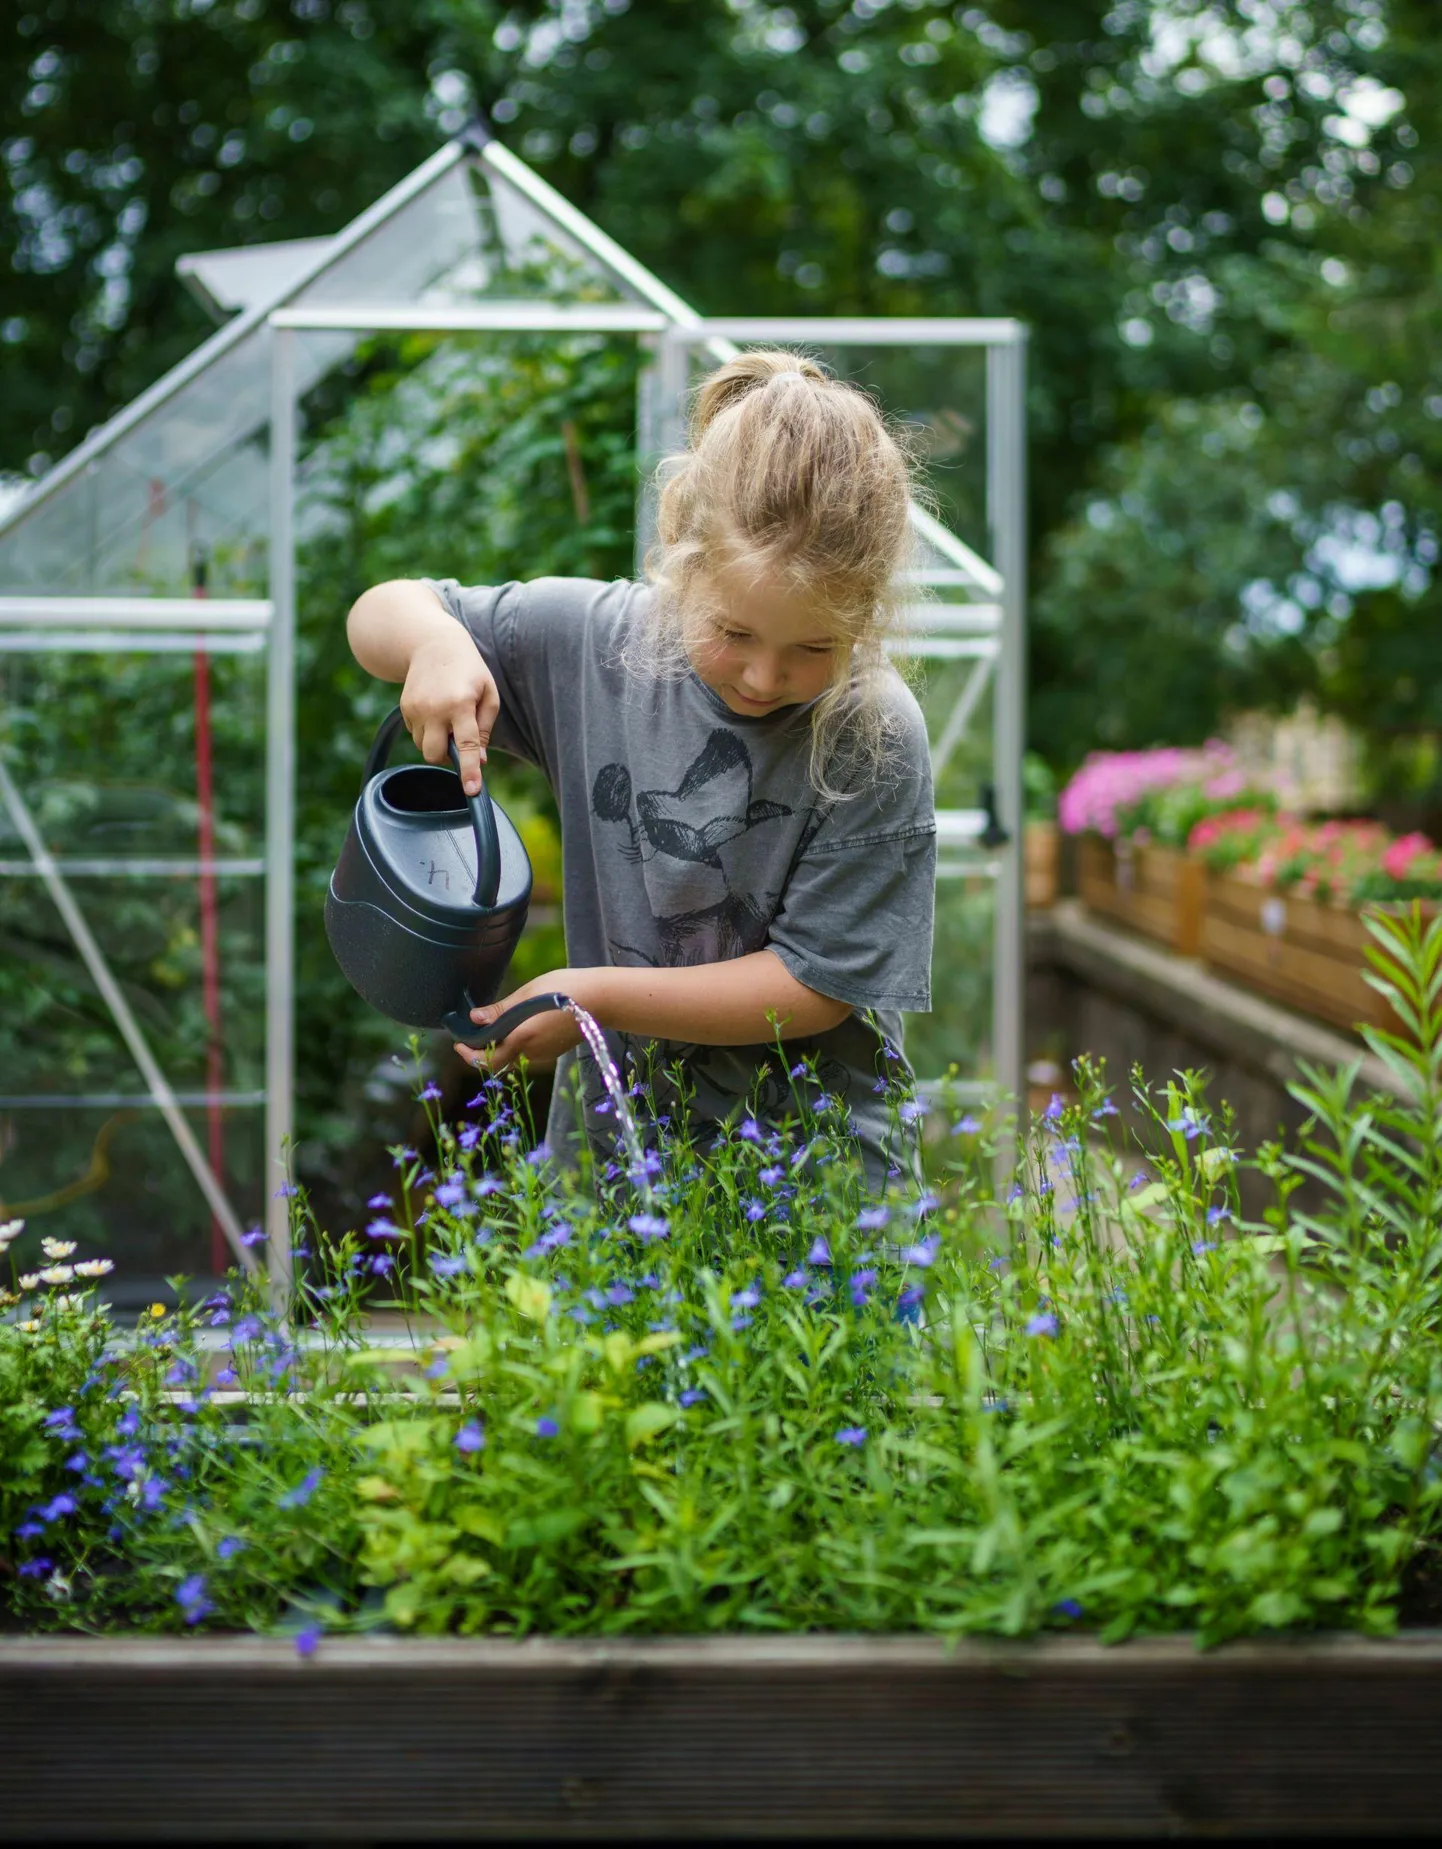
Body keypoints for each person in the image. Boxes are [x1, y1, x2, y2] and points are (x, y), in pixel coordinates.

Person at [346, 349, 936, 1188]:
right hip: (614, 1168)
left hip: (820, 1188)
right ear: (680, 553)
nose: (765, 677)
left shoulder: (871, 729)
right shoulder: (593, 645)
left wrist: (596, 998)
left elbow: (817, 985)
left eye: (813, 648)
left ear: (866, 617)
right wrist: (435, 641)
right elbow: (380, 612)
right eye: (733, 633)